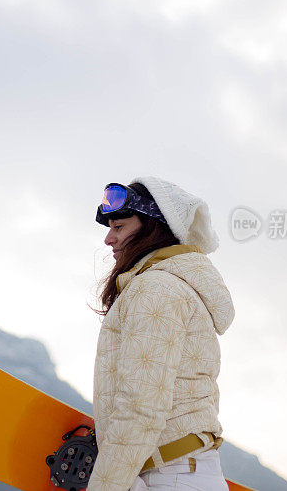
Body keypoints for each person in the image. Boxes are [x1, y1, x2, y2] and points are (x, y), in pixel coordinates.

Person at [87, 177, 235, 491]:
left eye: (119, 227)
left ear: (152, 228)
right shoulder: (165, 286)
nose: (108, 240)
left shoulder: (156, 289)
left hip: (170, 476)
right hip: (177, 471)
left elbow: (141, 405)